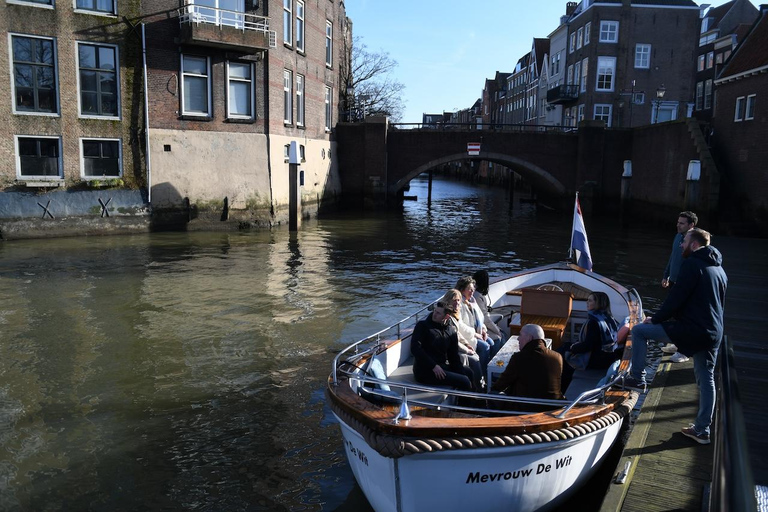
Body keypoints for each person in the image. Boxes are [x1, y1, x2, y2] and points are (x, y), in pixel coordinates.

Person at [627, 228, 727, 445]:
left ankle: (638, 379)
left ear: (694, 244)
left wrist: (656, 319)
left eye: (684, 241)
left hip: (692, 329)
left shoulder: (692, 264)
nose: (681, 245)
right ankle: (702, 430)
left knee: (639, 331)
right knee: (706, 378)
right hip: (713, 332)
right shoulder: (719, 269)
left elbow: (676, 298)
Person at [559, 292, 622, 395]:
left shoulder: (594, 322)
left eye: (590, 300)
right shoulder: (608, 317)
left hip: (596, 361)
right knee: (565, 347)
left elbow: (588, 346)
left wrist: (572, 347)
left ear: (598, 303)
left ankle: (562, 389)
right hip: (607, 357)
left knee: (562, 356)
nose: (587, 303)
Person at [411, 301, 474, 392]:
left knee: (468, 372)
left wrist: (461, 372)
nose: (434, 314)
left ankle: (473, 397)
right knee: (465, 381)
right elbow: (415, 348)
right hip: (424, 370)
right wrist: (433, 366)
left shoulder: (451, 331)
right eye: (435, 311)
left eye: (438, 313)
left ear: (446, 317)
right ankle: (466, 400)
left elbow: (453, 357)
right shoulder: (422, 326)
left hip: (441, 366)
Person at [491, 324, 565, 400]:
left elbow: (502, 383)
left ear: (529, 338)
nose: (518, 339)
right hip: (553, 404)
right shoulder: (557, 357)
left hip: (526, 404)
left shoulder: (519, 358)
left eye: (520, 335)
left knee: (493, 393)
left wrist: (492, 389)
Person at [660, 211, 697, 356]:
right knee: (675, 314)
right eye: (678, 222)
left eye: (682, 223)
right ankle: (677, 344)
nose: (678, 225)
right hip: (673, 281)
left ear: (691, 225)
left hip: (684, 283)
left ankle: (684, 352)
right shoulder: (678, 236)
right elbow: (673, 256)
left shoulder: (694, 242)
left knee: (685, 316)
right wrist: (666, 275)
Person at [440, 289, 484, 390]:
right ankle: (478, 388)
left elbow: (457, 334)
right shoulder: (447, 317)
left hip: (457, 347)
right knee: (474, 359)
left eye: (458, 300)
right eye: (454, 300)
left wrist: (466, 344)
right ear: (448, 301)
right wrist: (466, 350)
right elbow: (453, 340)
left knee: (476, 355)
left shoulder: (455, 314)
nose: (456, 303)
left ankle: (479, 385)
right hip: (450, 351)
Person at [455, 276, 500, 360]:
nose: (472, 291)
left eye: (473, 289)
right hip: (467, 336)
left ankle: (490, 365)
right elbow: (460, 326)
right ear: (462, 290)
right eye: (469, 289)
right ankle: (482, 367)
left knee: (492, 342)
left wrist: (483, 330)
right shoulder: (458, 304)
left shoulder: (472, 301)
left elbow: (480, 318)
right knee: (485, 346)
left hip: (477, 333)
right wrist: (475, 334)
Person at [472, 270, 505, 341]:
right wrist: (497, 330)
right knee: (501, 336)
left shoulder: (478, 295)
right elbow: (485, 319)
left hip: (482, 325)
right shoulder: (477, 297)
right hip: (479, 327)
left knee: (502, 333)